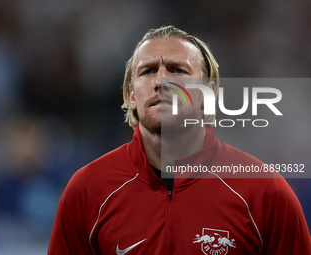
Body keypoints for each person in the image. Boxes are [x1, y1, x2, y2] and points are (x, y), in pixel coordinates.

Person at [48, 25, 311, 255]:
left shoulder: (265, 192)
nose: (161, 81)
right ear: (132, 96)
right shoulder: (87, 191)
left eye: (177, 70)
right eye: (148, 71)